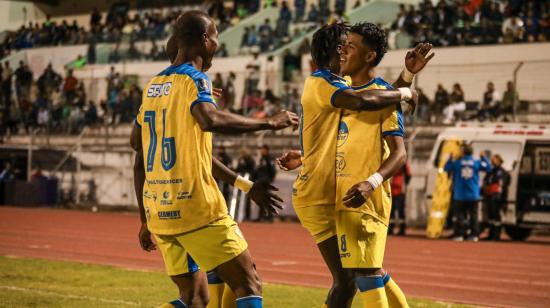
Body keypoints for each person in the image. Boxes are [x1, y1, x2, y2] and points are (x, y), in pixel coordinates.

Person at [130, 11, 298, 308]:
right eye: (216, 37)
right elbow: (209, 120)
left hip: (160, 211)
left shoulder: (152, 87)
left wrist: (144, 219)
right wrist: (269, 123)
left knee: (195, 298)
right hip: (197, 209)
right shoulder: (196, 79)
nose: (218, 46)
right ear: (205, 40)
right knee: (248, 283)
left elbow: (138, 147)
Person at [276, 21, 430, 308]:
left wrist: (406, 77)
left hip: (361, 196)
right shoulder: (333, 86)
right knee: (360, 274)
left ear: (367, 55)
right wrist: (405, 91)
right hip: (337, 195)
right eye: (342, 45)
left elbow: (379, 108)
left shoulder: (349, 88)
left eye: (350, 46)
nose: (345, 51)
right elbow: (369, 100)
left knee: (364, 274)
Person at [444, 144, 491, 242]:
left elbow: (446, 168)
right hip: (473, 194)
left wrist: (450, 158)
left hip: (460, 195)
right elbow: (488, 167)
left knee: (460, 216)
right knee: (473, 216)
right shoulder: (476, 163)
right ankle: (473, 235)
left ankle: (460, 234)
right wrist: (484, 157)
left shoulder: (457, 163)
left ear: (463, 152)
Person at [483, 154, 508, 241]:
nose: (493, 161)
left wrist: (500, 196)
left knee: (496, 216)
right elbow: (486, 180)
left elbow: (502, 185)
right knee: (490, 216)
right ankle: (491, 234)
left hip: (496, 196)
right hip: (490, 195)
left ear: (499, 161)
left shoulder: (501, 172)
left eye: (495, 159)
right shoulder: (491, 171)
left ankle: (496, 235)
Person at [254, 145, 276, 221]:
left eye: (262, 149)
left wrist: (269, 180)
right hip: (260, 181)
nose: (261, 151)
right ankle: (261, 216)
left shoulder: (270, 159)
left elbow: (273, 170)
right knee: (261, 198)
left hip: (266, 181)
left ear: (266, 150)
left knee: (266, 198)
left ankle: (269, 217)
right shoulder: (261, 159)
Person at [389, 161, 412, 236]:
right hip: (393, 189)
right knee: (391, 210)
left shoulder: (403, 163)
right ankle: (391, 228)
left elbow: (408, 174)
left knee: (400, 210)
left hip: (399, 190)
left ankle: (401, 229)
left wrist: (405, 184)